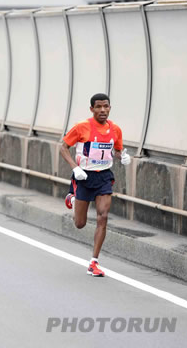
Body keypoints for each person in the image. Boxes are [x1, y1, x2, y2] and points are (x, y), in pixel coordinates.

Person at [60, 93, 131, 277]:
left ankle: (94, 262)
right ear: (91, 109)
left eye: (105, 106)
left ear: (110, 108)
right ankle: (73, 196)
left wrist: (122, 156)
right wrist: (75, 168)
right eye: (98, 107)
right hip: (84, 176)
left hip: (104, 177)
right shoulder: (81, 127)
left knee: (103, 216)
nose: (102, 110)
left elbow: (116, 150)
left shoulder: (115, 129)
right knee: (80, 223)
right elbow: (63, 147)